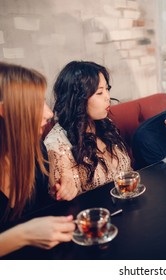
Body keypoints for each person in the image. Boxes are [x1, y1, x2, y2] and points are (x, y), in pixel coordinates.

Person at [0, 62, 75, 257]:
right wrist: (23, 235)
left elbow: (43, 210)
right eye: (36, 102)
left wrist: (62, 190)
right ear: (4, 111)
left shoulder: (34, 149)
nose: (49, 113)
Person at [44, 61, 131, 201]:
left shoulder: (105, 124)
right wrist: (65, 189)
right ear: (78, 99)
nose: (108, 97)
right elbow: (64, 198)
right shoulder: (57, 144)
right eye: (99, 92)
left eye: (107, 89)